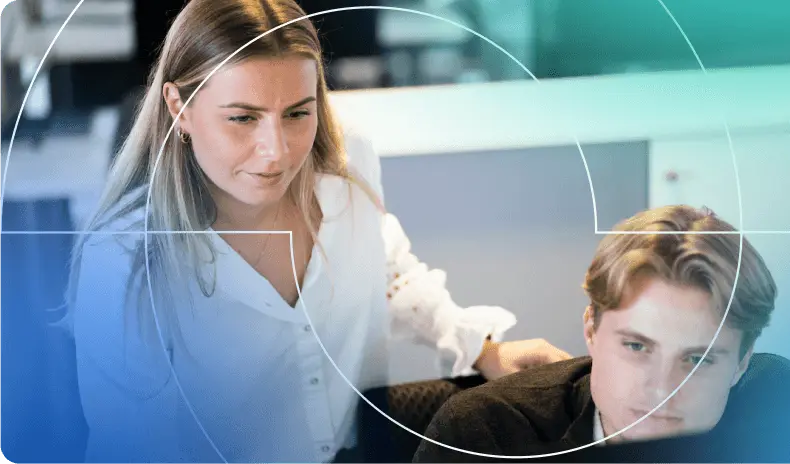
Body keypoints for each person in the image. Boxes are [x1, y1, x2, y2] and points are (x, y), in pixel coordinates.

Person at [60, 1, 571, 462]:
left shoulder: (346, 176)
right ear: (179, 108)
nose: (276, 151)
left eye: (298, 114)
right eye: (242, 118)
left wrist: (485, 349)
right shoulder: (123, 260)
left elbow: (387, 271)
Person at [413, 205, 790, 462]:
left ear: (741, 362)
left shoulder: (781, 406)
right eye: (636, 346)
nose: (661, 391)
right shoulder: (486, 437)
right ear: (591, 330)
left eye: (698, 359)